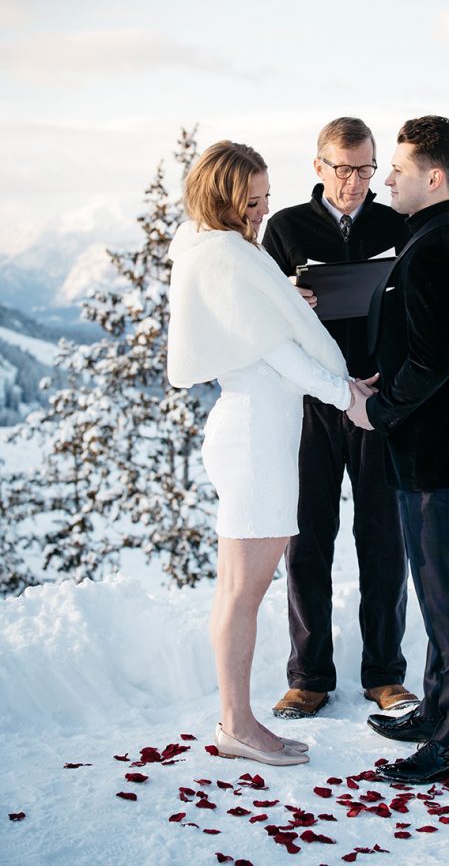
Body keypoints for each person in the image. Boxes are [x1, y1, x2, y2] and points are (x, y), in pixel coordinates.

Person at [167, 139, 361, 767]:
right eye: (249, 202)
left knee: (238, 588)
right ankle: (238, 724)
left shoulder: (226, 252)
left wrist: (287, 301)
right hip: (254, 438)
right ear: (221, 199)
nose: (260, 212)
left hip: (256, 433)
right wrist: (345, 395)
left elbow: (263, 324)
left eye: (265, 199)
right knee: (244, 591)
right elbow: (277, 353)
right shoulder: (225, 257)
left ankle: (236, 721)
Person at [347, 115, 449, 784]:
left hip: (442, 454)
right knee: (436, 592)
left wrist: (376, 409)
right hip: (422, 453)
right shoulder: (429, 240)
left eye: (398, 171)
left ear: (433, 178)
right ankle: (434, 712)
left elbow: (434, 361)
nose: (385, 180)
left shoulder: (439, 249)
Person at [261, 117, 416, 719]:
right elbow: (261, 315)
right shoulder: (286, 228)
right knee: (307, 541)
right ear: (318, 167)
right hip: (311, 406)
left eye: (366, 168)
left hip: (377, 404)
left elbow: (414, 310)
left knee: (383, 539)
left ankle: (384, 674)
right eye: (343, 169)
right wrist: (287, 300)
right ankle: (309, 678)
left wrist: (392, 387)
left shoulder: (395, 225)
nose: (355, 182)